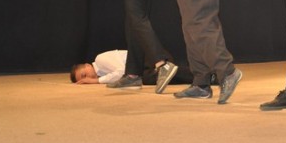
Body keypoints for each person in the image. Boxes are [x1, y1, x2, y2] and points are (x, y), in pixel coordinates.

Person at [69, 49, 208, 87]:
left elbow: (123, 72)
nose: (87, 78)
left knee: (149, 78)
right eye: (83, 80)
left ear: (87, 65)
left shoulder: (100, 60)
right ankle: (201, 76)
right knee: (153, 79)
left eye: (84, 75)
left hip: (147, 59)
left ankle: (205, 75)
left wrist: (96, 81)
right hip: (143, 66)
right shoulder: (102, 72)